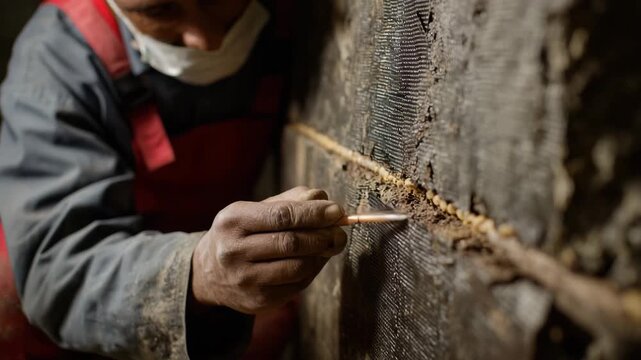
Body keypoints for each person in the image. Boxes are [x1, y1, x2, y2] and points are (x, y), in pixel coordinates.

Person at [0, 0, 347, 358]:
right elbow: (56, 270)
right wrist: (200, 273)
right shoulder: (53, 61)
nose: (206, 41)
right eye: (158, 13)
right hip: (90, 319)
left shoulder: (303, 17)